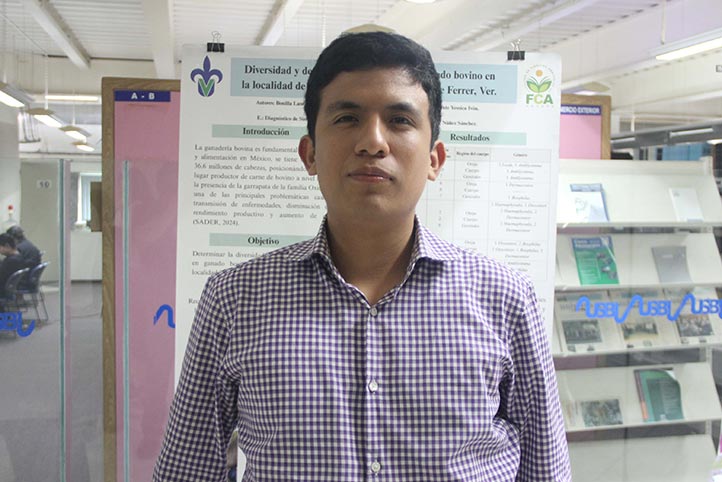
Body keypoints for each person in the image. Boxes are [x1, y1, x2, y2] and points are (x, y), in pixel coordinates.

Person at [154, 31, 570, 481]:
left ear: (435, 159)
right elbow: (186, 471)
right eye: (347, 118)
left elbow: (546, 471)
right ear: (310, 153)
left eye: (399, 120)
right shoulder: (233, 299)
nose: (372, 142)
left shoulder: (506, 299)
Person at [0, 233, 27, 300]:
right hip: (8, 289)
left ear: (7, 246)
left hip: (3, 291)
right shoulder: (19, 257)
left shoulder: (10, 261)